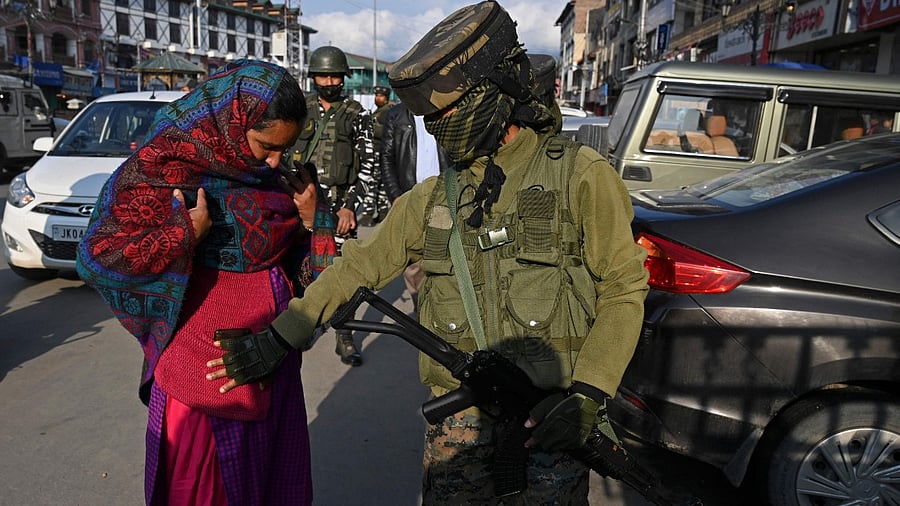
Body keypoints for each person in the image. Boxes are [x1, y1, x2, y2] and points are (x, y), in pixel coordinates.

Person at [208, 1, 649, 504]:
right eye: (430, 116)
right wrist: (281, 337)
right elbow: (359, 266)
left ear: (492, 92)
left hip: (551, 419)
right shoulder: (433, 197)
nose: (438, 126)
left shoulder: (581, 176)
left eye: (448, 111)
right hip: (459, 428)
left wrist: (590, 393)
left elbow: (624, 288)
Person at [76, 60, 336, 506]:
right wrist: (182, 236)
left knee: (272, 482)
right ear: (231, 123)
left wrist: (315, 222)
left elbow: (315, 279)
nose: (274, 162)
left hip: (271, 360)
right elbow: (98, 259)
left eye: (284, 149)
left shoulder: (278, 183)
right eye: (265, 146)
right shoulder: (162, 171)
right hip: (202, 374)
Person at [288, 45, 378, 366]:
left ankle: (344, 336)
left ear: (344, 77)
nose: (328, 81)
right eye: (323, 75)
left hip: (338, 211)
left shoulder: (357, 116)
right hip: (297, 209)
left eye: (334, 75)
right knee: (294, 272)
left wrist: (351, 207)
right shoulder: (298, 109)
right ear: (313, 77)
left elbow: (370, 168)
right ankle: (294, 330)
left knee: (342, 277)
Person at [380, 99, 450, 312]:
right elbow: (387, 158)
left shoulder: (445, 110)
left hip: (442, 196)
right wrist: (395, 196)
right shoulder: (397, 116)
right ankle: (421, 305)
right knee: (413, 258)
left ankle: (440, 306)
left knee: (441, 252)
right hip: (410, 199)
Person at [359, 84, 394, 226]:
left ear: (386, 98)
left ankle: (368, 214)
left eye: (380, 96)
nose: (377, 98)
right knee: (379, 185)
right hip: (376, 152)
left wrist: (369, 127)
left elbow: (385, 131)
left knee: (372, 183)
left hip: (378, 153)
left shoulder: (385, 112)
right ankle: (382, 213)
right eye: (376, 95)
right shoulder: (379, 111)